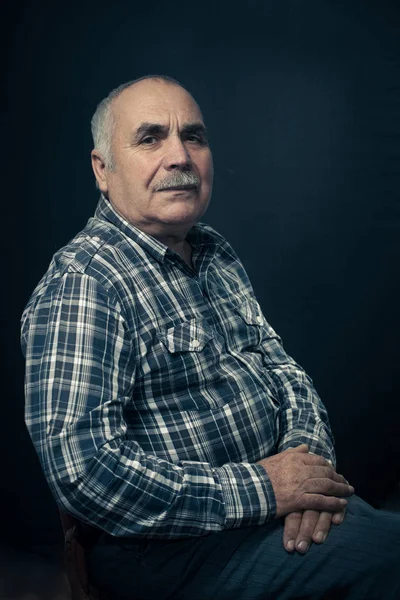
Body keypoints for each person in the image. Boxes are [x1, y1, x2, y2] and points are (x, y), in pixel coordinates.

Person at [21, 75, 400, 600]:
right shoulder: (85, 284)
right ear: (102, 169)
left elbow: (280, 368)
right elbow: (87, 473)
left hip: (271, 511)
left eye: (193, 136)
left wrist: (306, 468)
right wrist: (265, 490)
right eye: (151, 138)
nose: (179, 156)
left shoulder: (212, 251)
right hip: (169, 550)